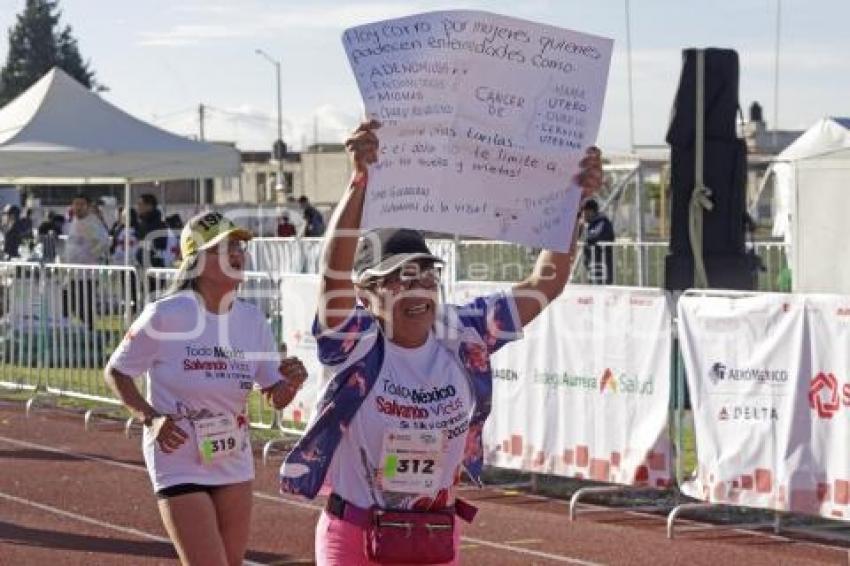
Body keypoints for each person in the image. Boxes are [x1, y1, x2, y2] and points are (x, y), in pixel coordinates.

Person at [279, 120, 603, 565]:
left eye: (427, 275)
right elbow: (333, 269)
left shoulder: (462, 334)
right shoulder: (355, 342)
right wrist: (360, 181)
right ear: (365, 294)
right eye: (399, 278)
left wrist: (574, 202)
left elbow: (545, 283)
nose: (418, 288)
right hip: (355, 535)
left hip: (431, 536)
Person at [105, 211, 309, 566]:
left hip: (232, 458)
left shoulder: (251, 319)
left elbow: (276, 395)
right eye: (224, 247)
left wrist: (291, 382)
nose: (237, 254)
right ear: (196, 261)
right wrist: (150, 418)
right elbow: (117, 372)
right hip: (178, 457)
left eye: (239, 246)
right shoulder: (166, 315)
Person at [64, 195, 110, 329]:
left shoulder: (93, 223)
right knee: (72, 304)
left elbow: (104, 242)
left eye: (81, 204)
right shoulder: (74, 221)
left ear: (88, 207)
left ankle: (89, 332)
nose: (77, 207)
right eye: (75, 204)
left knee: (84, 305)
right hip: (72, 272)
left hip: (87, 274)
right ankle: (80, 330)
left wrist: (89, 256)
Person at [581, 198, 615, 285]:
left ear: (591, 211)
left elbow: (594, 237)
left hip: (601, 264)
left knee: (601, 287)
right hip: (592, 263)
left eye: (584, 212)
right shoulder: (592, 224)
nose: (583, 215)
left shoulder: (602, 222)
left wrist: (586, 238)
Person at [135, 193, 169, 268]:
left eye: (141, 204)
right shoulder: (141, 223)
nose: (138, 207)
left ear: (149, 206)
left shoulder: (159, 225)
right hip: (141, 266)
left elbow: (159, 246)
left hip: (154, 266)